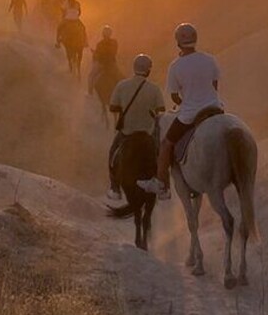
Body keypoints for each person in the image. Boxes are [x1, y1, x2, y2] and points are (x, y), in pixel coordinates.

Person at [138, 23, 223, 200]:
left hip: (190, 114)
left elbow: (175, 97)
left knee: (166, 144)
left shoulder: (176, 66)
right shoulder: (210, 59)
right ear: (195, 39)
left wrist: (187, 102)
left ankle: (161, 185)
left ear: (178, 42)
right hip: (216, 109)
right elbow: (215, 86)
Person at [107, 54, 166, 200]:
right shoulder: (154, 89)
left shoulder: (122, 85)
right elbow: (161, 110)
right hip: (147, 133)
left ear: (134, 68)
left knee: (112, 154)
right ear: (148, 70)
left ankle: (115, 188)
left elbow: (113, 107)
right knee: (161, 154)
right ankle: (162, 185)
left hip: (127, 132)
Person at [87, 25, 118, 96]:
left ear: (103, 34)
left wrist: (94, 52)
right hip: (112, 63)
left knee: (91, 76)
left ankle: (90, 92)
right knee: (118, 77)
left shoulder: (100, 44)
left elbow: (97, 55)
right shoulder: (114, 42)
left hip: (101, 64)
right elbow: (114, 53)